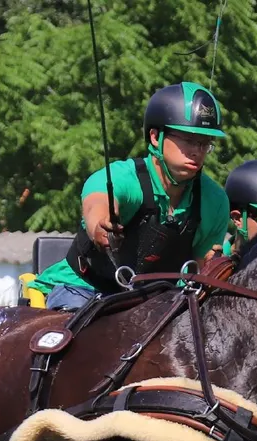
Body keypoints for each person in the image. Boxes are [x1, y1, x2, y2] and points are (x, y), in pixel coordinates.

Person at [28, 82, 231, 310]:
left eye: (205, 144)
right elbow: (97, 203)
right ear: (156, 137)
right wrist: (100, 226)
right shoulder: (123, 177)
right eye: (189, 140)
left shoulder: (215, 201)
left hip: (155, 304)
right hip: (83, 289)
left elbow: (198, 270)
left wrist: (213, 266)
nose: (198, 151)